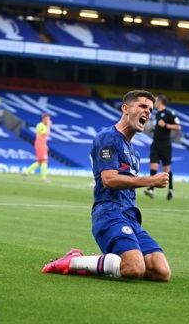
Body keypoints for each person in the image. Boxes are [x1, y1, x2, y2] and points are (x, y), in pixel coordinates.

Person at [42, 90, 171, 282]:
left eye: (150, 109)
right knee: (134, 268)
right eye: (142, 106)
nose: (147, 112)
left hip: (131, 216)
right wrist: (150, 181)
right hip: (109, 213)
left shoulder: (134, 153)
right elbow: (109, 180)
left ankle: (99, 261)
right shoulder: (108, 138)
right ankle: (73, 261)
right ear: (125, 109)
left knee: (161, 272)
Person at [143, 94, 181, 200]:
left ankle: (170, 189)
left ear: (160, 101)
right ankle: (151, 189)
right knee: (153, 166)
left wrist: (165, 125)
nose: (154, 103)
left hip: (165, 145)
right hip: (155, 143)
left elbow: (178, 126)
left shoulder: (169, 114)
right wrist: (154, 130)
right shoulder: (158, 114)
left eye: (155, 101)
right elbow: (160, 126)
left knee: (166, 169)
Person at [22, 113, 52, 183]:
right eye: (47, 119)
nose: (48, 121)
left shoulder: (44, 126)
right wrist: (49, 125)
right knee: (45, 161)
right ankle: (44, 178)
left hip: (42, 144)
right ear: (43, 119)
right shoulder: (40, 125)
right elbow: (45, 133)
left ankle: (26, 173)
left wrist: (45, 145)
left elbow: (45, 137)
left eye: (49, 119)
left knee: (39, 162)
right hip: (40, 144)